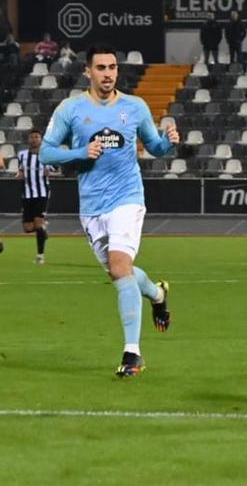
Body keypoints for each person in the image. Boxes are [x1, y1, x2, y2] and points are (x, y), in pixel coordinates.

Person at [38, 45, 178, 377]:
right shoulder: (71, 109)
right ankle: (157, 294)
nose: (108, 73)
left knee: (119, 265)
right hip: (91, 206)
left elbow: (155, 147)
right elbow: (45, 153)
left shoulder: (135, 106)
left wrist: (168, 141)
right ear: (88, 71)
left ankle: (133, 354)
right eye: (101, 68)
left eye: (112, 67)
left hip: (127, 198)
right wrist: (79, 152)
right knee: (121, 273)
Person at [16, 129, 59, 263]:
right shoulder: (22, 155)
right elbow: (21, 170)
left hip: (42, 194)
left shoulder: (47, 156)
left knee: (38, 223)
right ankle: (43, 231)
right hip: (27, 194)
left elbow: (59, 172)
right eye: (31, 137)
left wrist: (51, 174)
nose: (34, 139)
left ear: (41, 139)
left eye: (36, 137)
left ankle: (40, 256)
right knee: (28, 228)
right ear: (28, 140)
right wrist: (20, 175)